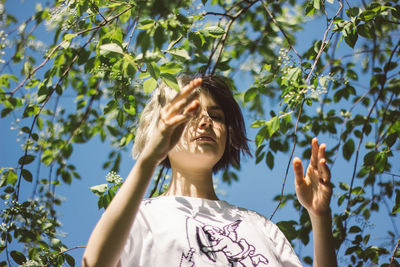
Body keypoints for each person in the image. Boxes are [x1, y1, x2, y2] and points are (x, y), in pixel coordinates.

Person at [82, 74, 338, 267]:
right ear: (161, 128)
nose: (205, 121)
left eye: (216, 116)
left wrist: (320, 217)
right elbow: (94, 263)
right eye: (191, 114)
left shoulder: (259, 226)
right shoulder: (139, 217)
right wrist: (149, 157)